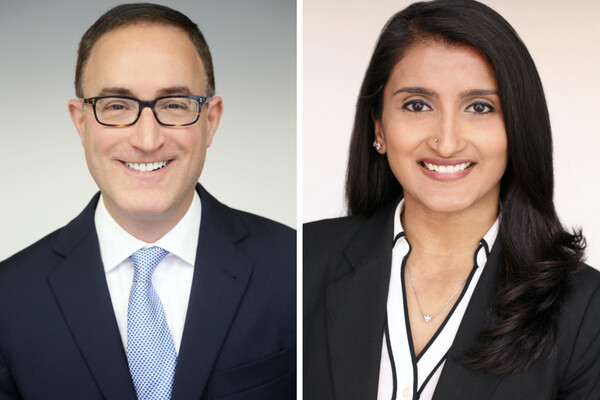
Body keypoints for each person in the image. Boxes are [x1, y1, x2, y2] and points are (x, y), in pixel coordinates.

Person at [303, 1, 600, 399]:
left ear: (518, 128)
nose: (446, 141)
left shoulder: (584, 308)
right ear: (378, 125)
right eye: (417, 105)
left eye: (479, 107)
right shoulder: (303, 259)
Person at [0, 3, 295, 399]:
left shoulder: (293, 265)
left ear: (210, 120)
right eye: (117, 106)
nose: (147, 139)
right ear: (80, 122)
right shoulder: (10, 297)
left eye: (174, 105)